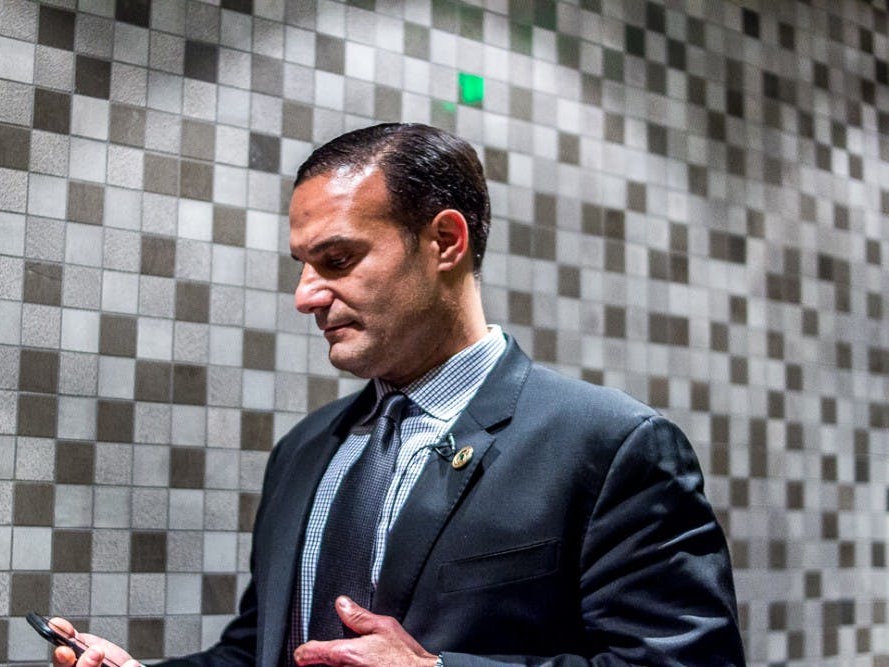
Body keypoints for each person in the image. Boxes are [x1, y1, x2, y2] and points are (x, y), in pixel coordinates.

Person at [51, 123, 744, 667]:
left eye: (338, 260)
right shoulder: (303, 451)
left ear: (445, 241)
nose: (306, 296)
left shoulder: (611, 446)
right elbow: (261, 649)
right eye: (303, 266)